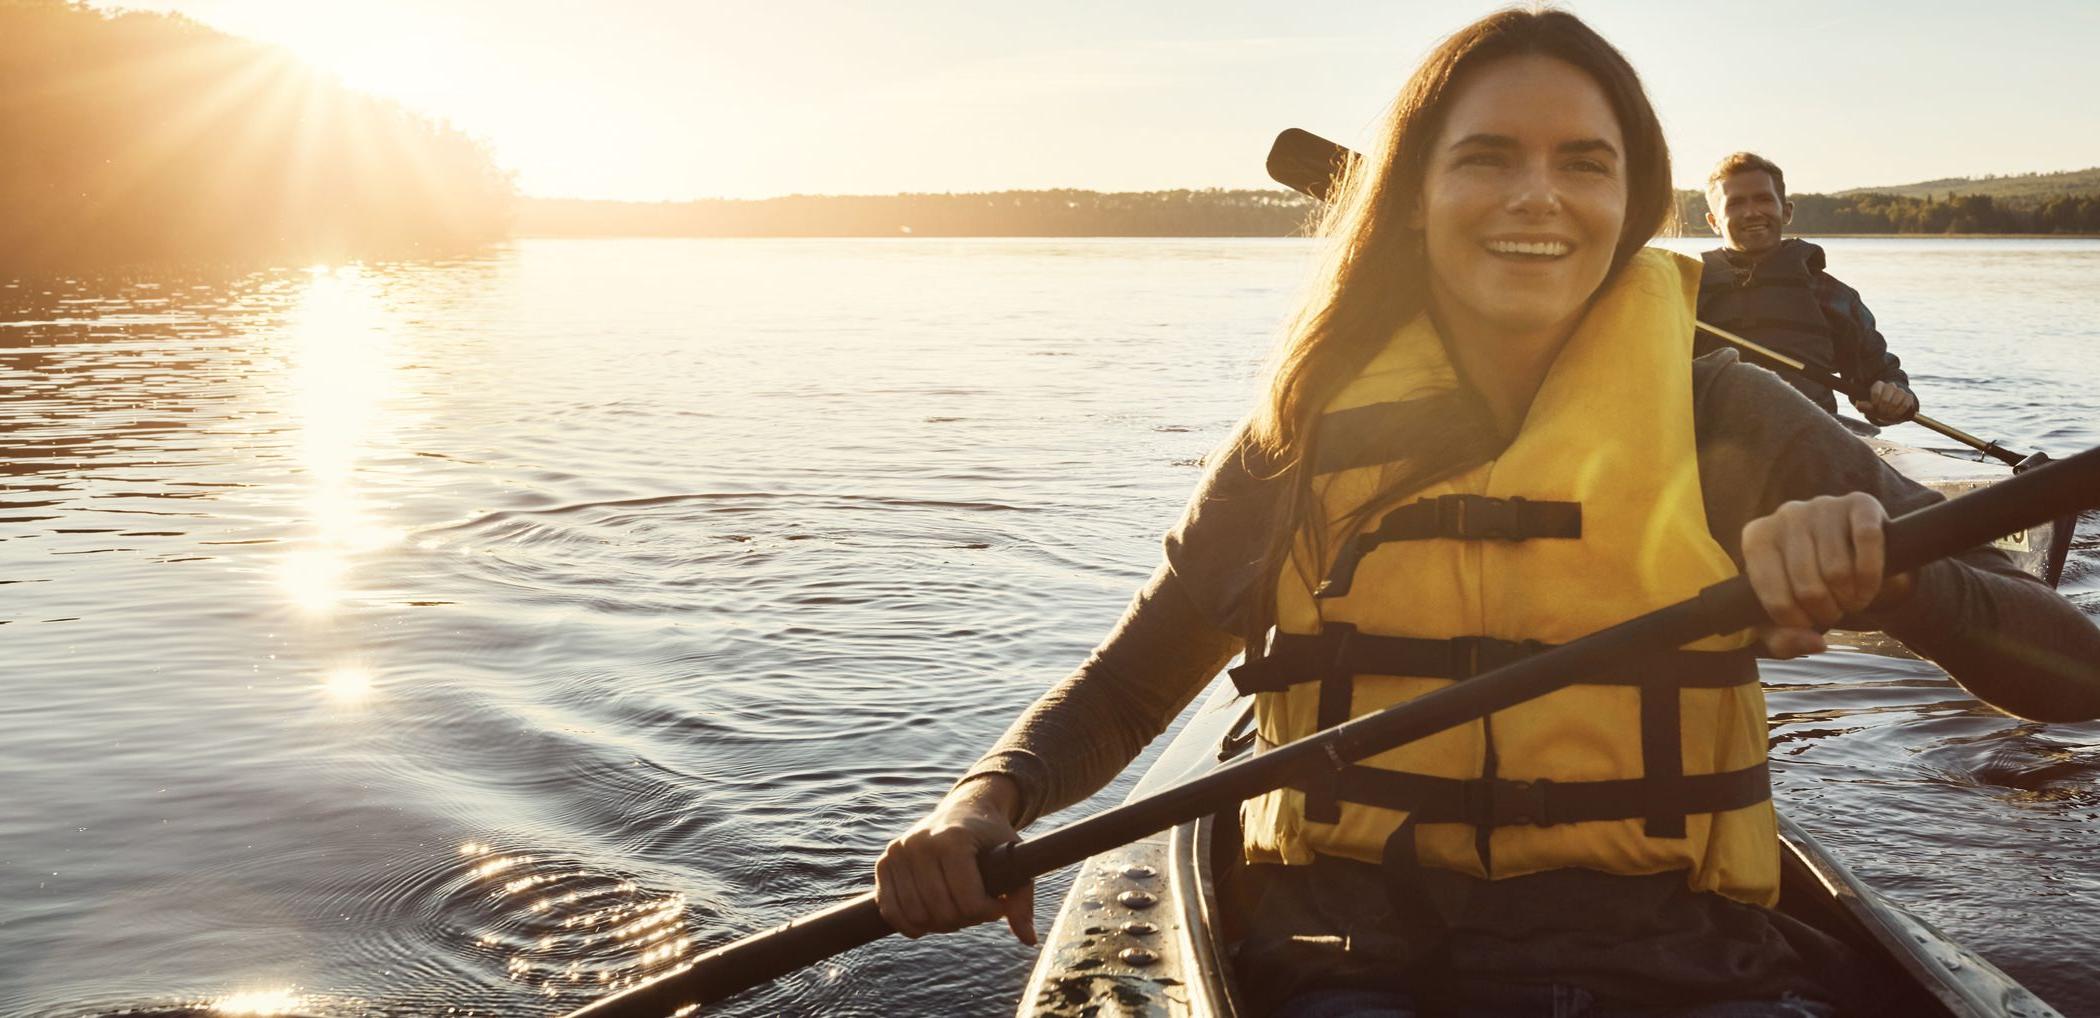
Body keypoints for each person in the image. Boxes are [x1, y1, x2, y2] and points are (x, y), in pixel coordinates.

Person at [874, 10, 2100, 1017]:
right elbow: (1134, 686)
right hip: (1350, 964)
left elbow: (2073, 671)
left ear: (1632, 204)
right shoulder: (1299, 429)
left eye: (1585, 163)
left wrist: (1902, 586)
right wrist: (984, 798)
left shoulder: (1734, 415)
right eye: (1485, 157)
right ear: (1411, 194)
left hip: (1678, 968)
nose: (1539, 197)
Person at [1698, 152, 1920, 425]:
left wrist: (1893, 397)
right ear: (1713, 221)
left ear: (1787, 211)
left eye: (1764, 199)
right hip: (1710, 444)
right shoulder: (1682, 289)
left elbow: (1881, 374)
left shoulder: (1832, 296)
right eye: (1735, 203)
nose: (1752, 212)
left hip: (1809, 444)